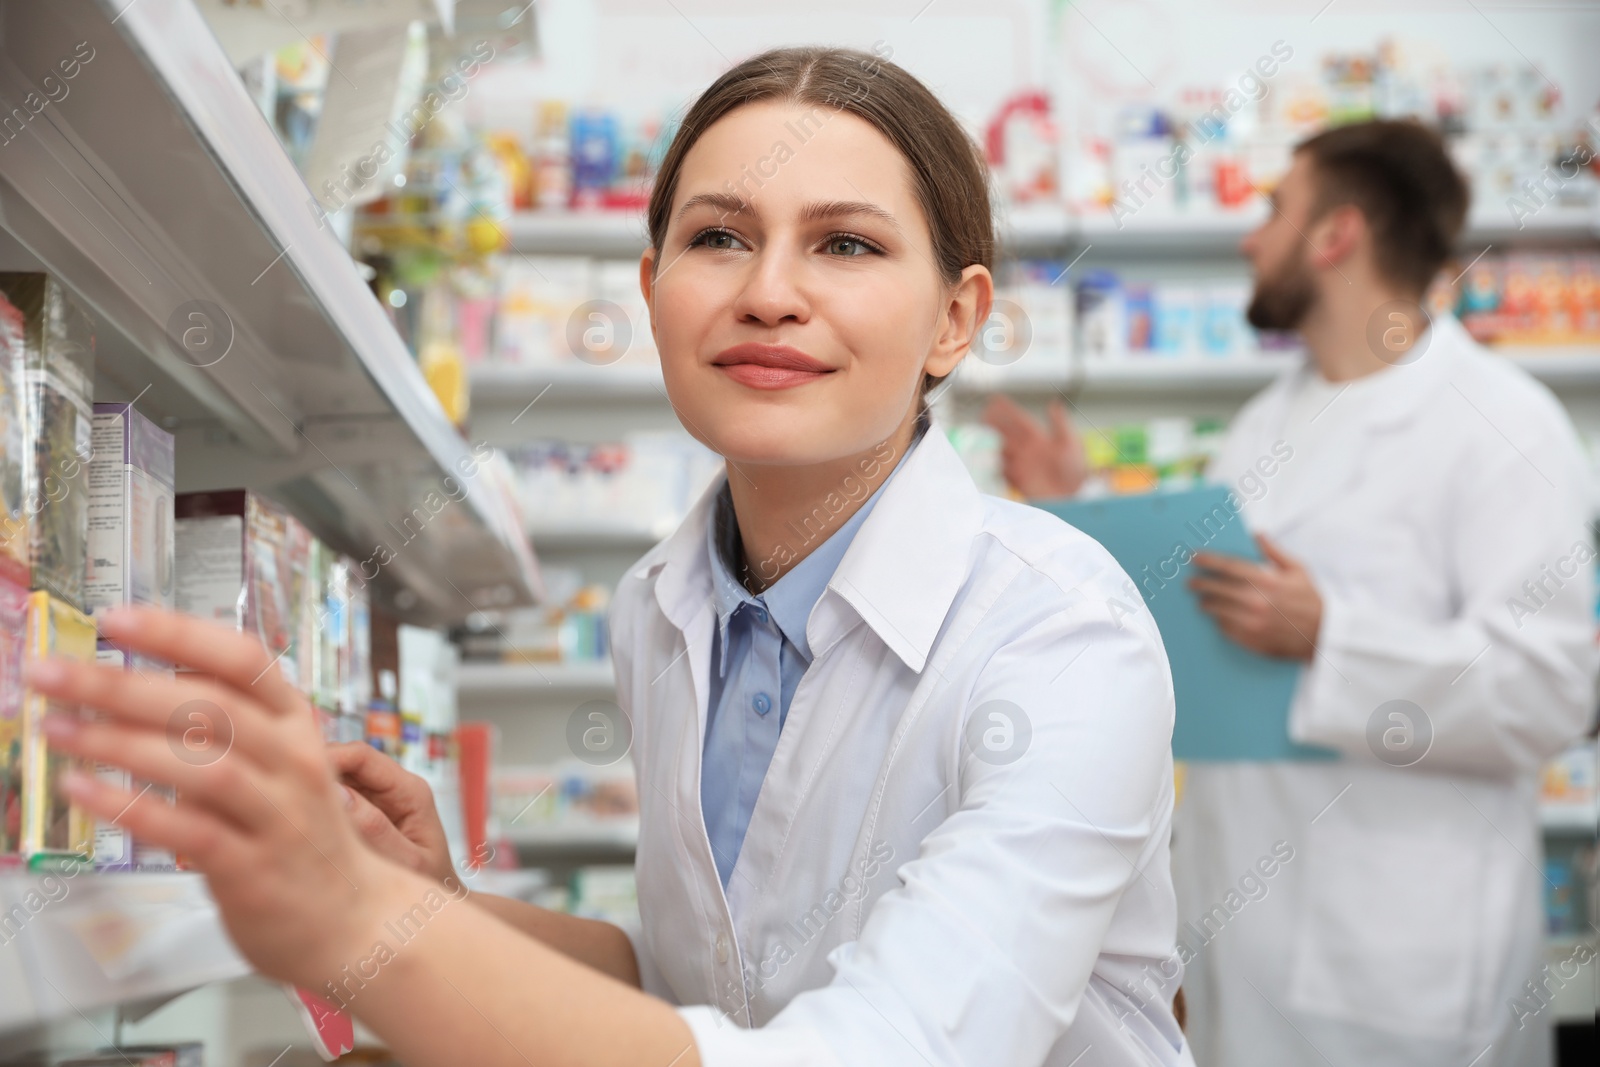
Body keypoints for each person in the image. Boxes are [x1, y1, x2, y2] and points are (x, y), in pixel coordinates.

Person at [29, 48, 1195, 1066]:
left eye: (845, 243)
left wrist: (342, 925)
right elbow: (699, 984)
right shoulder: (661, 604)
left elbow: (876, 1051)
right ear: (653, 291)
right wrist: (427, 903)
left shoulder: (1059, 638)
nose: (768, 292)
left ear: (955, 317)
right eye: (718, 237)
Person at [984, 119, 1597, 1067]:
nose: (1248, 237)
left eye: (1273, 210)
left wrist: (1331, 638)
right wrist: (1077, 507)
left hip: (1409, 955)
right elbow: (1211, 604)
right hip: (1248, 931)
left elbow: (1554, 688)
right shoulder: (1269, 420)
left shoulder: (1502, 421)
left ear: (1336, 235)